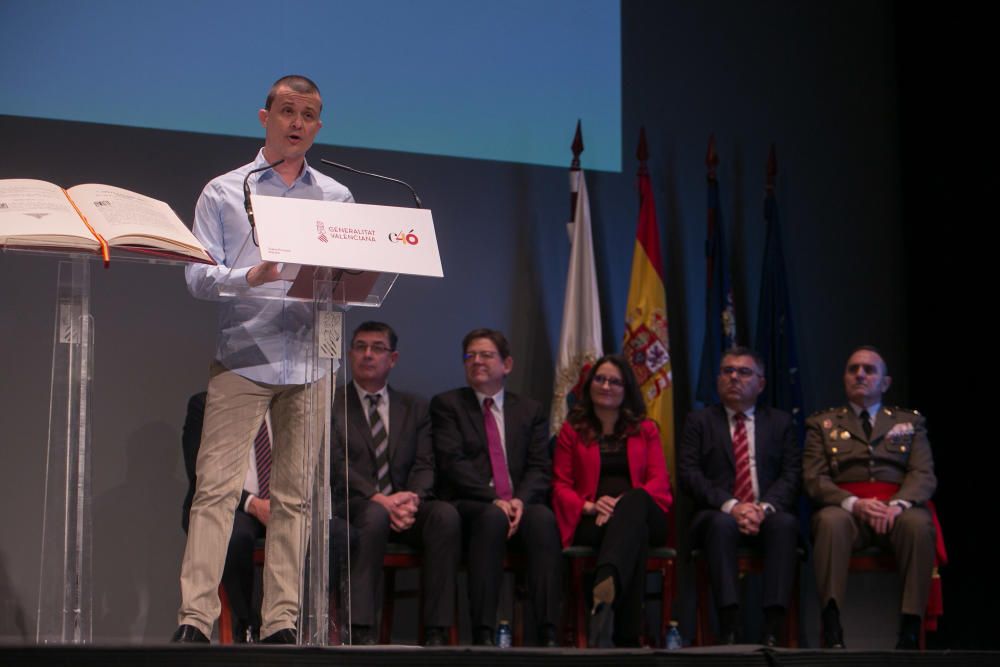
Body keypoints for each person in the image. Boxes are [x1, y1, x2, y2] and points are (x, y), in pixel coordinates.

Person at [174, 75, 353, 644]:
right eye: (287, 111)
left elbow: (346, 272)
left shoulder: (337, 198)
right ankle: (195, 621)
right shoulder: (225, 191)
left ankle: (280, 623)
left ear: (318, 126)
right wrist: (250, 275)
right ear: (264, 117)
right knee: (216, 492)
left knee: (297, 498)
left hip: (310, 359)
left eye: (309, 114)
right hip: (245, 356)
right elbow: (197, 277)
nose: (297, 122)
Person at [431, 328, 562, 646]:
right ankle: (483, 632)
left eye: (486, 355)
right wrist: (493, 499)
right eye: (470, 356)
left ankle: (548, 632)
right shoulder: (448, 404)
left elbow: (539, 467)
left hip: (517, 502)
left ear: (507, 364)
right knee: (491, 518)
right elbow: (452, 463)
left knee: (543, 518)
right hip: (471, 502)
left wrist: (518, 500)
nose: (477, 361)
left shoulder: (528, 410)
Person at [333, 321, 460, 646]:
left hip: (404, 506)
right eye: (360, 347)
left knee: (445, 516)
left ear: (393, 358)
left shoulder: (415, 407)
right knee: (373, 516)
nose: (367, 355)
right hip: (356, 504)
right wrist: (379, 499)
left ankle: (436, 631)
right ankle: (361, 630)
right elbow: (335, 464)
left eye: (377, 348)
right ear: (349, 354)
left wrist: (412, 499)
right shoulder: (332, 403)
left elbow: (425, 463)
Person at [804, 346, 937, 650]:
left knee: (919, 524)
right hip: (848, 511)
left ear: (885, 382)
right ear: (844, 379)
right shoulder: (822, 425)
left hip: (897, 512)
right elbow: (814, 478)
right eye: (853, 369)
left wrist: (898, 505)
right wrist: (854, 504)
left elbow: (923, 474)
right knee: (829, 521)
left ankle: (910, 628)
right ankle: (832, 624)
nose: (860, 374)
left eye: (869, 369)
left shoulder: (910, 423)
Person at [677, 347, 801, 646]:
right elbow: (689, 474)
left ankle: (773, 627)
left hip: (766, 513)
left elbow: (792, 474)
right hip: (717, 513)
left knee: (785, 525)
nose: (734, 377)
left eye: (743, 372)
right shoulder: (699, 421)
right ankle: (729, 624)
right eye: (727, 371)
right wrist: (733, 507)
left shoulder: (780, 422)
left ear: (760, 383)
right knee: (721, 525)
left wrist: (763, 509)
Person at [551, 354, 672, 647]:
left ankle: (604, 583)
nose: (606, 385)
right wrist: (589, 506)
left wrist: (621, 504)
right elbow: (560, 484)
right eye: (600, 379)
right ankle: (626, 636)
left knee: (636, 501)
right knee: (635, 533)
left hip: (642, 509)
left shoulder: (646, 430)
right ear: (589, 385)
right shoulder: (572, 431)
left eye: (615, 381)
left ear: (627, 389)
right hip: (592, 519)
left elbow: (658, 480)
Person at [181, 392, 271, 642]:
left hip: (281, 506)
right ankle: (247, 625)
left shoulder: (285, 403)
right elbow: (201, 472)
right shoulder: (208, 403)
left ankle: (300, 628)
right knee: (234, 535)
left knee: (335, 534)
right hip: (234, 505)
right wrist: (253, 503)